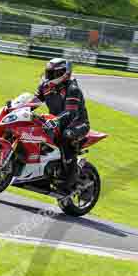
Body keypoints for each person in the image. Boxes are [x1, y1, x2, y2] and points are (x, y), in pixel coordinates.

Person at [34, 58, 90, 193]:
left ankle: (69, 180)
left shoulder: (72, 89)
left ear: (63, 74)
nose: (48, 77)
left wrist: (55, 121)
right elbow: (33, 102)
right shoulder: (45, 87)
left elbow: (70, 113)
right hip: (55, 121)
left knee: (66, 137)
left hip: (77, 124)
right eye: (48, 73)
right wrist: (16, 107)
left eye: (52, 74)